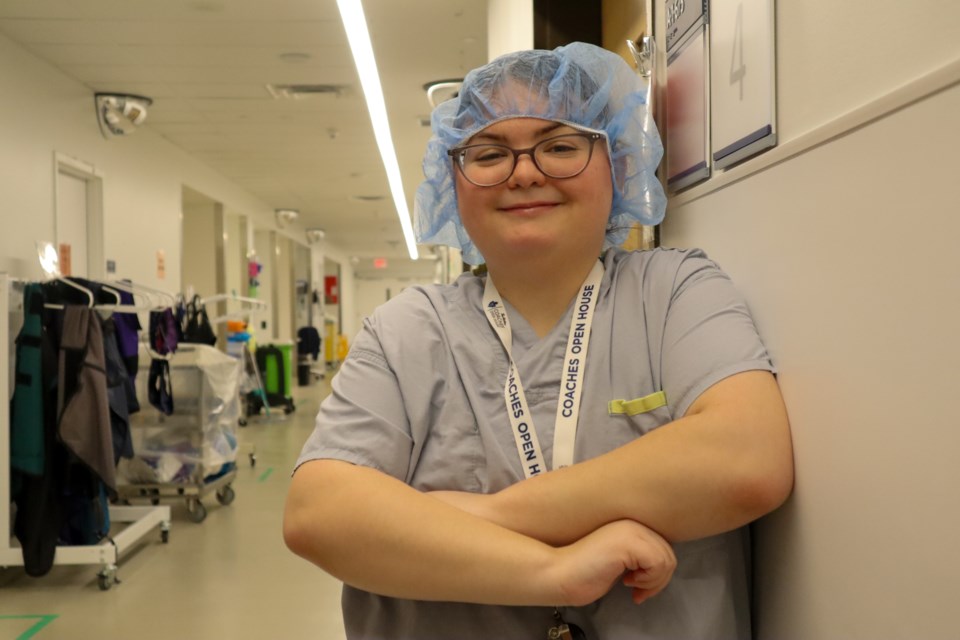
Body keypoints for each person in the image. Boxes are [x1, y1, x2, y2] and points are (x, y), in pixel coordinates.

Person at [284, 42, 793, 639]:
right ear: (454, 181)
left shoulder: (676, 292)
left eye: (560, 145)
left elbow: (746, 460)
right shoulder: (406, 331)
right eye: (490, 153)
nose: (524, 171)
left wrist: (485, 515)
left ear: (620, 165)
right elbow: (319, 514)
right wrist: (554, 571)